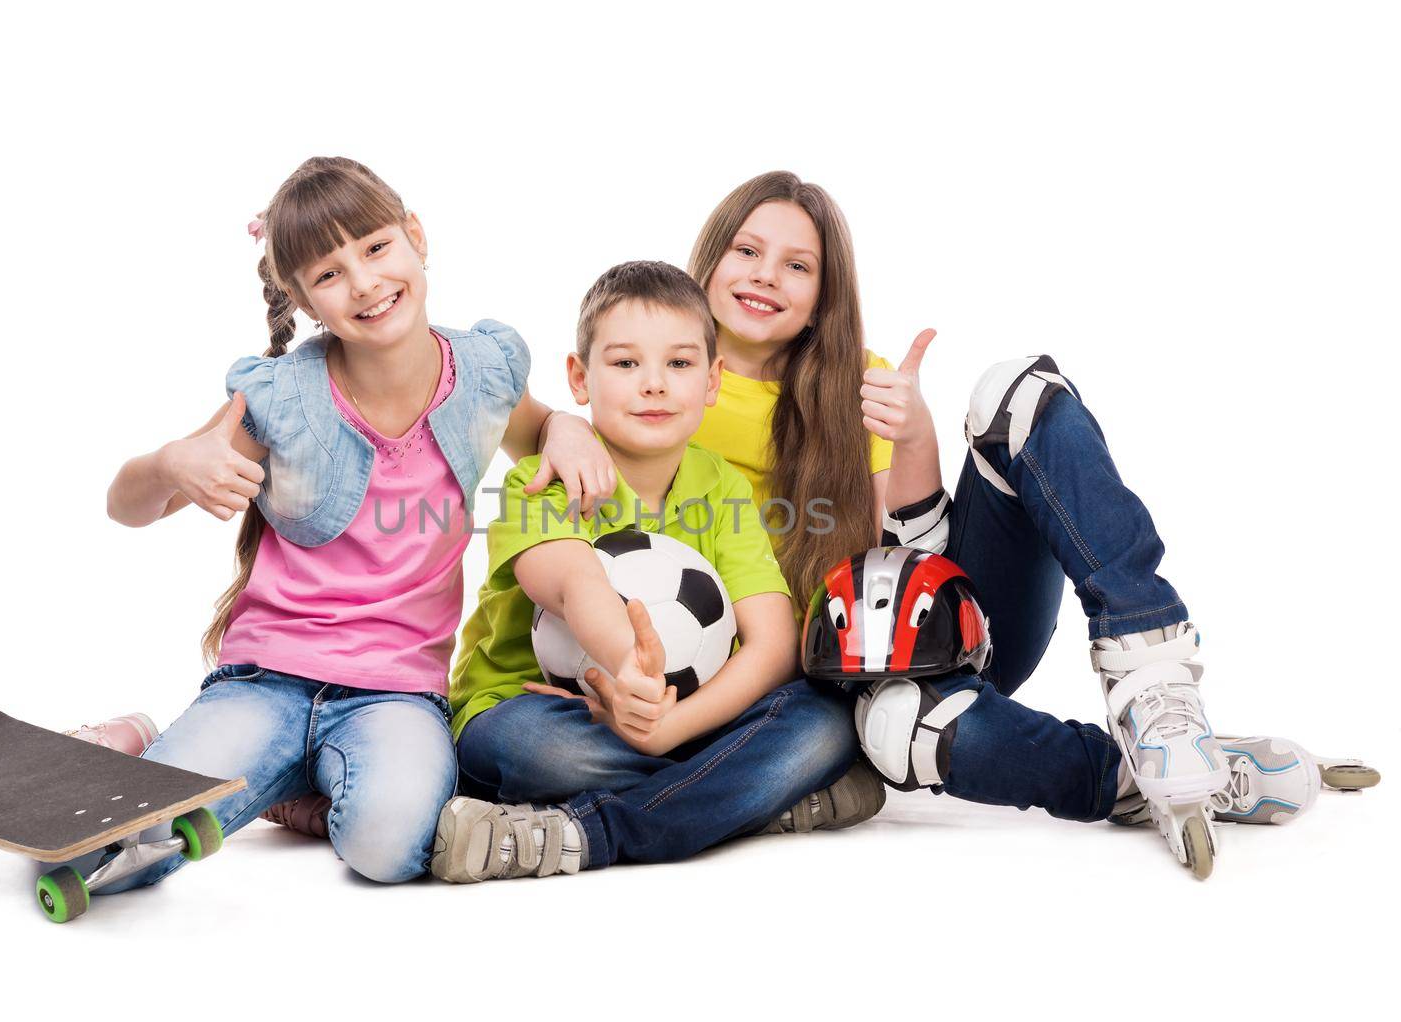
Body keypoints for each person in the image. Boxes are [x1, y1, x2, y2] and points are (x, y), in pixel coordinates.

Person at [683, 170, 1377, 873]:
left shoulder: (855, 381)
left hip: (944, 622)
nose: (766, 276)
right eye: (747, 251)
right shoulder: (655, 384)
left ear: (821, 300)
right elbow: (577, 426)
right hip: (853, 682)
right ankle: (1162, 776)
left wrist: (916, 436)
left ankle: (1153, 674)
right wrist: (567, 433)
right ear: (709, 259)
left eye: (797, 265)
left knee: (1017, 389)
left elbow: (910, 548)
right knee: (904, 727)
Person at [81, 156, 615, 889]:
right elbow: (125, 505)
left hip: (396, 693)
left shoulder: (483, 372)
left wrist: (569, 429)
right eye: (328, 274)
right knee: (111, 848)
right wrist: (174, 463)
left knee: (388, 849)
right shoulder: (279, 399)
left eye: (374, 248)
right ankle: (147, 750)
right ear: (302, 298)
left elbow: (539, 425)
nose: (363, 282)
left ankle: (299, 793)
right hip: (266, 679)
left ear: (415, 237)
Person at [430, 260, 877, 883]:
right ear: (579, 378)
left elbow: (774, 643)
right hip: (535, 710)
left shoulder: (720, 487)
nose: (654, 385)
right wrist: (630, 671)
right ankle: (752, 797)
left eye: (680, 363)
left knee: (826, 722)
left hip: (679, 719)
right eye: (625, 363)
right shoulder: (543, 478)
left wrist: (669, 727)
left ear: (713, 380)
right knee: (534, 750)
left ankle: (582, 832)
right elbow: (570, 580)